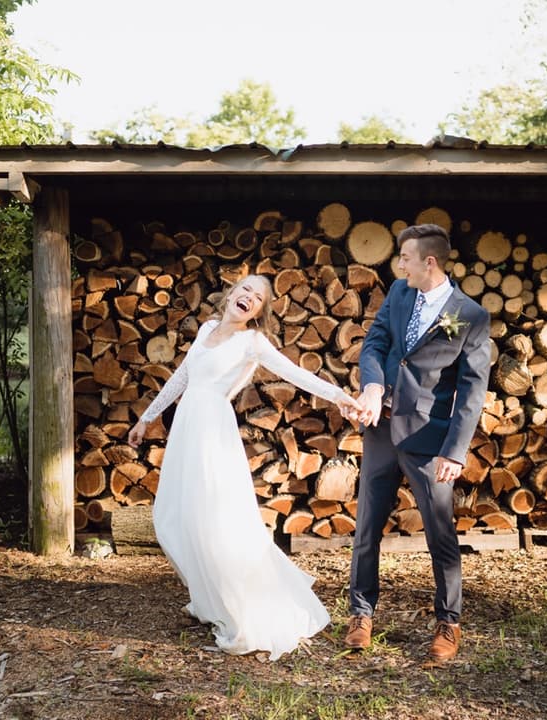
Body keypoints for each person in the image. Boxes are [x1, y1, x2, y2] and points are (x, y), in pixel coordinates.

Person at [127, 274, 362, 660]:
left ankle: (241, 610)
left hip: (213, 432)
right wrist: (146, 418)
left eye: (258, 298)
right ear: (231, 293)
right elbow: (182, 378)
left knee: (217, 521)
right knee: (177, 516)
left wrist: (339, 396)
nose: (249, 298)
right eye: (246, 290)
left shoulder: (251, 342)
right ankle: (208, 596)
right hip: (188, 429)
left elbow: (295, 373)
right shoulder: (205, 329)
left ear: (259, 311)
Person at [345, 223, 492, 663]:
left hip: (430, 440)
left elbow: (472, 388)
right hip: (381, 430)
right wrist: (372, 387)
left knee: (440, 534)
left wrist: (455, 450)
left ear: (429, 261)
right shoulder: (399, 294)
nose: (399, 264)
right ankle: (360, 614)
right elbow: (374, 345)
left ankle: (448, 623)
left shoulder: (472, 315)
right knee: (367, 528)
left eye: (405, 258)